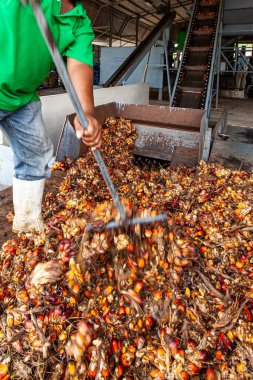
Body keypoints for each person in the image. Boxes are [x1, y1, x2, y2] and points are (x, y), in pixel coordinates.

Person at [0, 0, 101, 234]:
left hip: (21, 99)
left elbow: (79, 65)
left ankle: (27, 224)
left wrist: (86, 112)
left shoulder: (78, 22)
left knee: (36, 156)